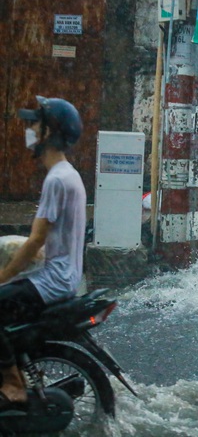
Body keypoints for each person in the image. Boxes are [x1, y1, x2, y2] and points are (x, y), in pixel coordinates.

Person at [0, 96, 85, 408]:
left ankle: (13, 383)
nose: (30, 130)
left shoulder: (57, 179)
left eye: (35, 124)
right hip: (61, 274)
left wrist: (4, 276)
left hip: (55, 280)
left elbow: (36, 240)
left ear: (48, 133)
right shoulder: (68, 175)